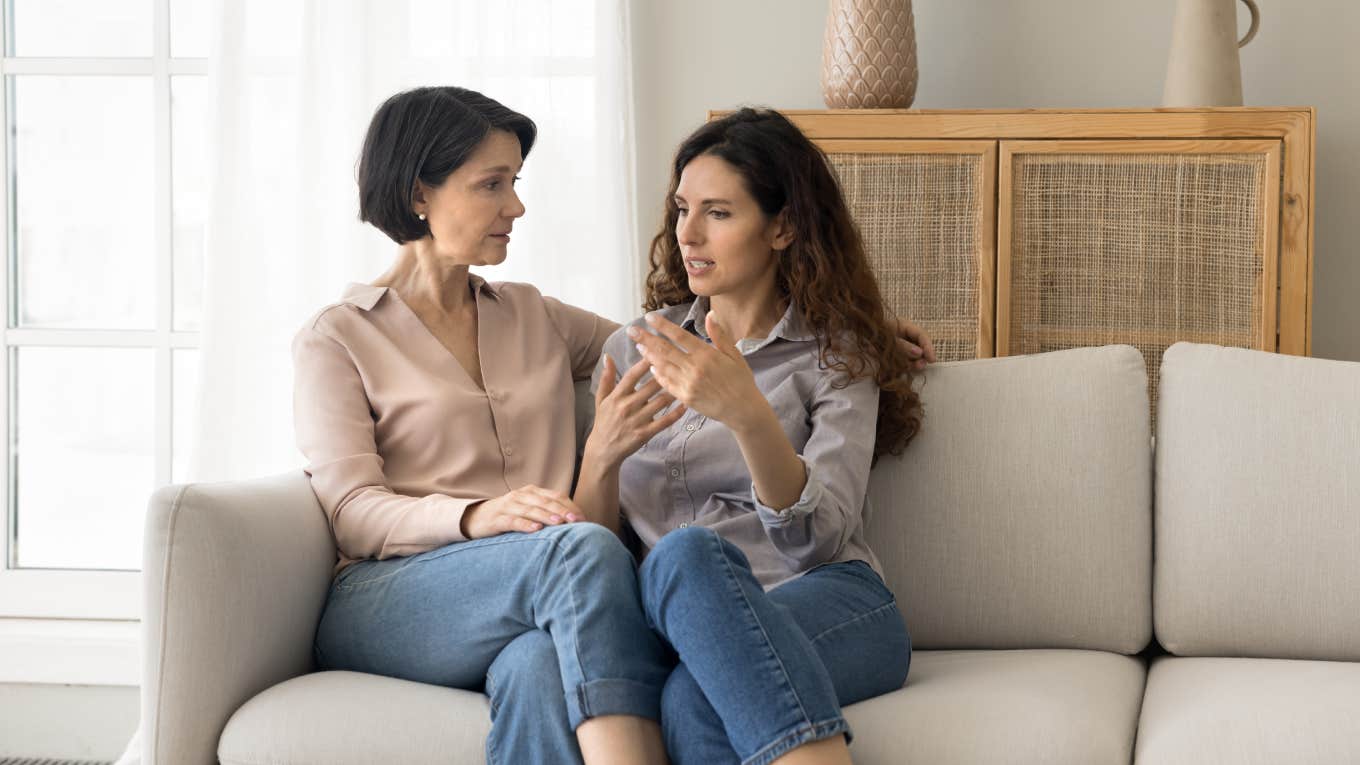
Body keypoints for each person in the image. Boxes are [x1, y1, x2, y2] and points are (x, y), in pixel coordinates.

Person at [295, 87, 936, 765]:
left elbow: (687, 341)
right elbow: (351, 512)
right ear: (419, 190)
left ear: (781, 226)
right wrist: (485, 512)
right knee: (601, 553)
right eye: (493, 184)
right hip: (417, 585)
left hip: (656, 597)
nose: (516, 205)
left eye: (514, 182)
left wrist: (855, 327)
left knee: (548, 669)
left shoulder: (535, 316)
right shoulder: (338, 337)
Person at [576, 107, 920, 765]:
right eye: (681, 209)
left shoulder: (838, 357)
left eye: (719, 212)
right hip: (684, 622)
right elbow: (593, 555)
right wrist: (599, 457)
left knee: (683, 569)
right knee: (683, 610)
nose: (688, 233)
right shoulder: (635, 346)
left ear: (784, 225)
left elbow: (817, 537)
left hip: (835, 603)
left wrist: (748, 415)